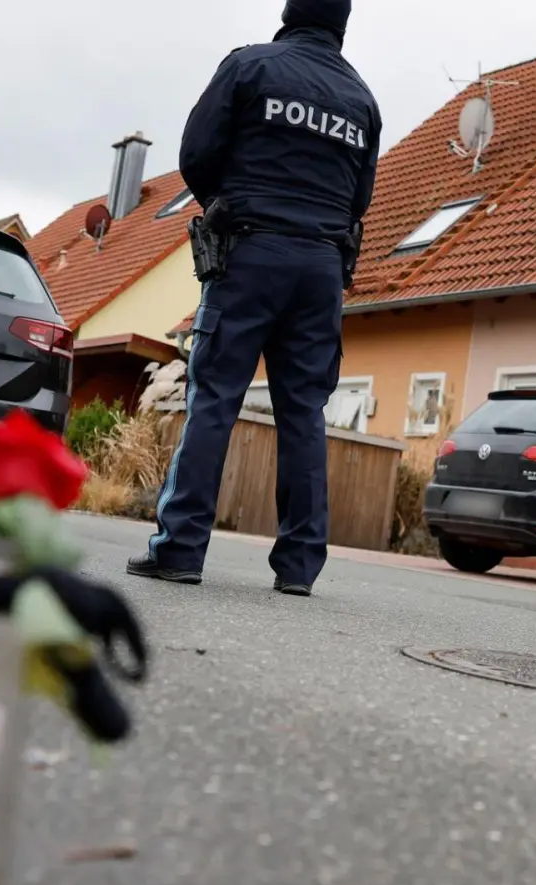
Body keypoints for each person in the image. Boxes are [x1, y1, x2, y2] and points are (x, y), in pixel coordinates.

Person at [127, 0, 381, 598]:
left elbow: (195, 153)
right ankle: (298, 568)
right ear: (341, 26)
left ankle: (181, 549)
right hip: (321, 268)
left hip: (249, 252)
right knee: (303, 412)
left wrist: (228, 199)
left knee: (214, 396)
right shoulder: (362, 101)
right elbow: (360, 197)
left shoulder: (250, 67)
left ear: (291, 13)